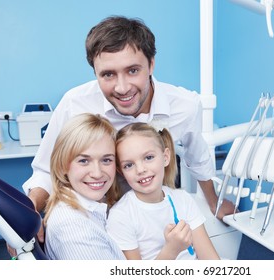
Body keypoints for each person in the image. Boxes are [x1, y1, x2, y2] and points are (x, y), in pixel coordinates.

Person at [22, 15, 235, 244]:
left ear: (151, 64)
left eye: (133, 70)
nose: (122, 88)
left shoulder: (185, 106)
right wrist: (28, 213)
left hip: (146, 215)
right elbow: (45, 170)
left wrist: (214, 202)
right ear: (95, 72)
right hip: (91, 216)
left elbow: (198, 158)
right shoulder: (75, 103)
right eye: (108, 74)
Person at [107, 122, 220, 260]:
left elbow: (211, 260)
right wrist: (171, 249)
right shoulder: (121, 216)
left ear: (166, 157)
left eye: (148, 157)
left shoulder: (183, 200)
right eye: (129, 165)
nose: (141, 169)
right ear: (121, 171)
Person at [43, 113, 125, 260]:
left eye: (106, 160)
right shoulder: (74, 229)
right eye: (83, 161)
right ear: (62, 166)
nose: (97, 173)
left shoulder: (96, 204)